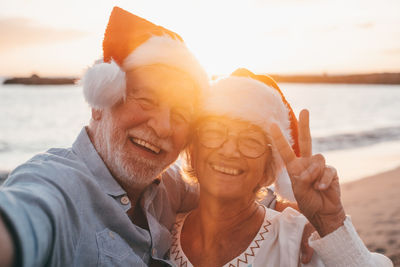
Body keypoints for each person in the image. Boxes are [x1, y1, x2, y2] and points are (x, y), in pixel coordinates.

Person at [0, 7, 296, 267]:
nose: (163, 126)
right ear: (99, 102)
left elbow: (230, 192)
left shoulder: (169, 187)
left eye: (181, 113)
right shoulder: (56, 187)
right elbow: (23, 219)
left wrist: (298, 215)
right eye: (145, 99)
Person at [169, 68, 393, 266]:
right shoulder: (159, 230)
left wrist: (331, 222)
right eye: (214, 131)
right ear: (192, 150)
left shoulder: (297, 242)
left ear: (268, 171)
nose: (229, 150)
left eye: (250, 140)